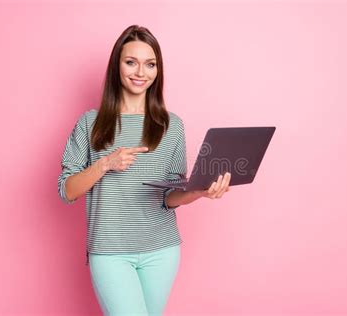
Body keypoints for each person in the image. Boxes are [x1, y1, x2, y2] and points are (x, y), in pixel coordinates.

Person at [57, 24, 231, 316]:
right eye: (131, 62)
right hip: (110, 252)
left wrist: (199, 192)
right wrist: (105, 164)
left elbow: (170, 197)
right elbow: (66, 191)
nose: (141, 72)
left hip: (162, 250)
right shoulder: (91, 123)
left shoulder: (171, 125)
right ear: (117, 66)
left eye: (150, 64)